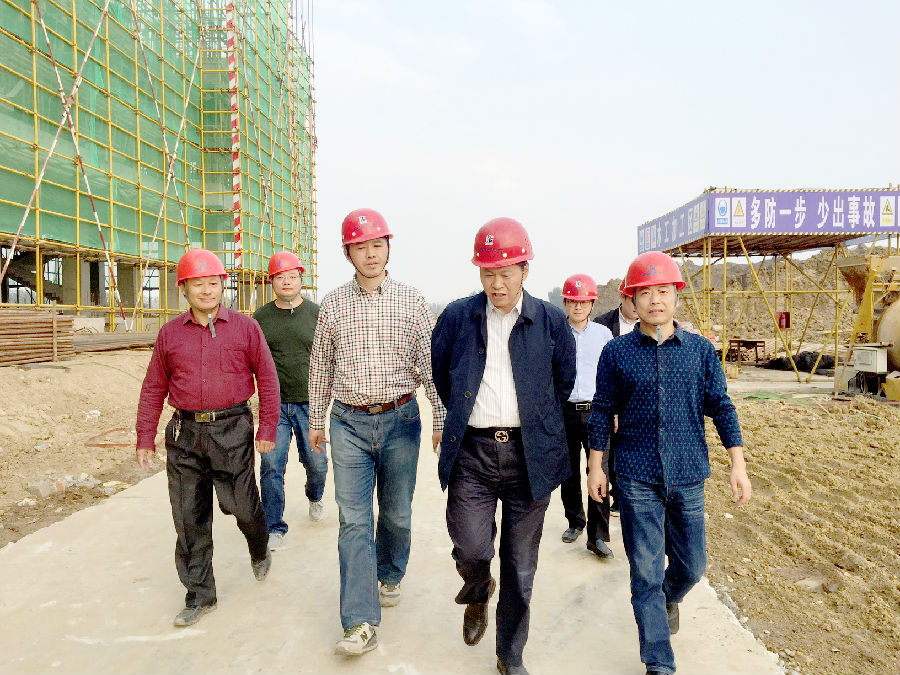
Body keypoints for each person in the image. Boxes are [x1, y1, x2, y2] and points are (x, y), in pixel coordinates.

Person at [586, 251, 752, 675]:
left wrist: (738, 464)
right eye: (645, 293)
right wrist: (596, 466)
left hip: (688, 473)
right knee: (645, 572)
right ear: (632, 299)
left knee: (692, 567)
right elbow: (602, 410)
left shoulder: (700, 351)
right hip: (637, 475)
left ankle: (669, 597)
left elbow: (722, 406)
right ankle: (659, 661)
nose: (655, 300)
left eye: (663, 291)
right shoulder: (617, 353)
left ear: (676, 295)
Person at [431, 218, 575, 675]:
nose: (497, 283)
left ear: (525, 271)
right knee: (472, 548)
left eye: (506, 273)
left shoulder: (551, 320)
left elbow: (563, 382)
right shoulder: (457, 317)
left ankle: (509, 654)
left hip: (529, 456)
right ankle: (477, 591)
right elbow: (442, 375)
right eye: (488, 273)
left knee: (520, 564)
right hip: (472, 454)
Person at [307, 208, 446, 657]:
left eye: (377, 245)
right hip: (347, 422)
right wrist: (315, 420)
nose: (370, 253)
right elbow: (321, 366)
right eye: (361, 247)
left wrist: (440, 417)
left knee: (397, 513)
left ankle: (390, 572)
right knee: (353, 520)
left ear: (388, 248)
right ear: (347, 253)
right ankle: (360, 620)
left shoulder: (411, 300)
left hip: (400, 421)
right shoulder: (333, 304)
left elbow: (429, 362)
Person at [135, 248, 279, 628]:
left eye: (213, 283)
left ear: (222, 286)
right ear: (183, 288)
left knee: (242, 506)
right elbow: (153, 387)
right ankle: (200, 595)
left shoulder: (246, 328)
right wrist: (145, 437)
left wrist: (267, 428)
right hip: (184, 434)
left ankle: (259, 546)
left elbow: (267, 378)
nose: (206, 290)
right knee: (189, 518)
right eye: (197, 284)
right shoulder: (170, 334)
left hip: (232, 430)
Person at [253, 251, 323, 552]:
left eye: (292, 276)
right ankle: (273, 526)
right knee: (271, 464)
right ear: (272, 282)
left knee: (317, 464)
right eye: (280, 277)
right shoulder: (261, 319)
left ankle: (315, 495)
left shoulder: (317, 314)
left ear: (300, 279)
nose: (286, 282)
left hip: (311, 404)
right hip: (275, 406)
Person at [558, 274, 614, 559]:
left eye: (583, 302)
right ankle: (575, 521)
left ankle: (598, 535)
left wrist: (615, 411)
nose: (578, 307)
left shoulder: (604, 335)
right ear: (565, 303)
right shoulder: (556, 334)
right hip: (565, 411)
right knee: (567, 472)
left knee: (599, 471)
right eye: (572, 301)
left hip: (596, 413)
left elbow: (614, 377)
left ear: (592, 304)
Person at [593, 279, 638, 512]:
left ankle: (624, 499)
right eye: (632, 299)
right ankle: (611, 497)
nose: (637, 305)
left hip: (637, 402)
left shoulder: (653, 324)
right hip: (611, 398)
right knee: (608, 456)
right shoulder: (602, 325)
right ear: (622, 297)